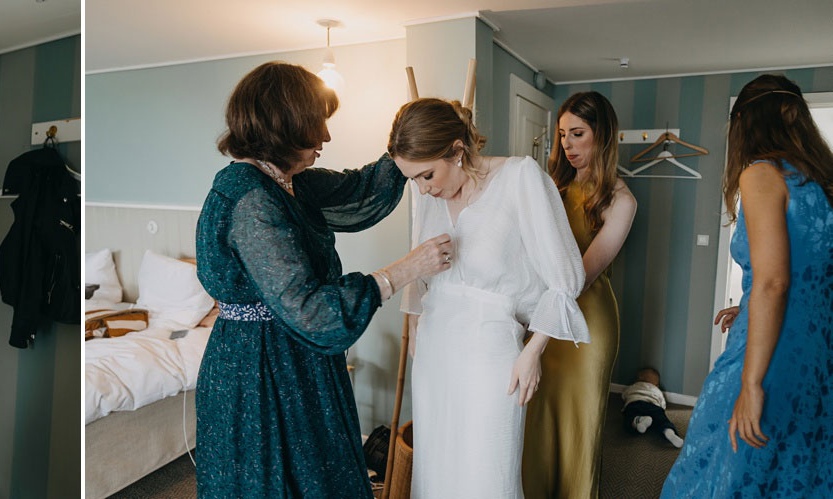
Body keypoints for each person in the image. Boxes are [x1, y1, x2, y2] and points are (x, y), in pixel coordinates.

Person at [193, 62, 451, 497]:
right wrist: (406, 269)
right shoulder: (251, 199)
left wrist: (412, 140)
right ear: (284, 128)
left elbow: (359, 188)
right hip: (262, 369)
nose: (326, 138)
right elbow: (311, 310)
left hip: (296, 358)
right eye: (317, 126)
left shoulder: (288, 182)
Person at [391, 98, 590, 498]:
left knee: (488, 473)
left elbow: (565, 278)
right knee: (436, 467)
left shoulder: (520, 178)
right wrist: (415, 327)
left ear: (457, 150)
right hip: (434, 352)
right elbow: (420, 272)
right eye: (412, 179)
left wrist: (532, 352)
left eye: (426, 175)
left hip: (491, 351)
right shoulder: (428, 197)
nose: (423, 188)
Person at [662, 73, 833, 497]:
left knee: (727, 455)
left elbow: (774, 282)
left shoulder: (761, 173)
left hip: (772, 355)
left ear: (744, 123)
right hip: (819, 350)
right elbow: (813, 271)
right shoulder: (822, 182)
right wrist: (749, 303)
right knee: (796, 464)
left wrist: (752, 384)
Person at [522, 90, 636, 498]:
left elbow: (579, 279)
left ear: (602, 136)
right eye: (562, 134)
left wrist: (536, 310)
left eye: (578, 133)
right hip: (541, 316)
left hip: (587, 325)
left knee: (580, 422)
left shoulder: (621, 200)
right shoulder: (550, 186)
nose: (567, 144)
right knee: (537, 414)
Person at [621, 367, 682, 448]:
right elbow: (662, 403)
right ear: (657, 385)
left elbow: (624, 395)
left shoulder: (633, 386)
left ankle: (639, 420)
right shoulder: (657, 390)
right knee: (662, 420)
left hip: (635, 403)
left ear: (639, 379)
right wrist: (661, 409)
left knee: (630, 417)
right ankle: (668, 432)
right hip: (653, 406)